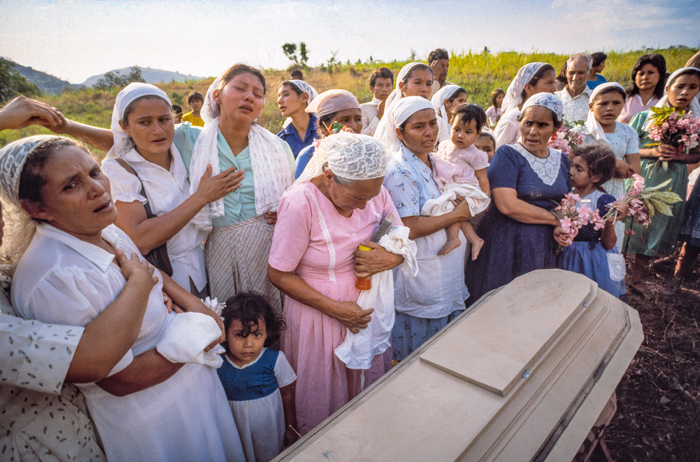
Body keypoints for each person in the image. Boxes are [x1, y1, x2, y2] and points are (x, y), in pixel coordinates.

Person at [6, 135, 246, 462]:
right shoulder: (53, 277)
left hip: (192, 387)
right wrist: (195, 337)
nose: (97, 188)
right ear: (36, 208)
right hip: (151, 417)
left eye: (94, 172)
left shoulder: (104, 227)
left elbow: (146, 270)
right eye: (70, 186)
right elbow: (119, 380)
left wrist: (196, 305)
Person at [50, 64, 295, 315]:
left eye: (257, 92)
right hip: (201, 259)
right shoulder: (195, 141)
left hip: (249, 250)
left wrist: (286, 212)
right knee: (226, 324)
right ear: (217, 95)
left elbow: (294, 195)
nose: (248, 96)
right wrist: (65, 127)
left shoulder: (273, 147)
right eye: (240, 88)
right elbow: (129, 139)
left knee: (269, 318)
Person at [268, 133, 405, 434]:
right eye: (356, 198)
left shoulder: (373, 191)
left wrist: (391, 259)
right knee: (323, 396)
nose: (363, 206)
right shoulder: (300, 203)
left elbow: (398, 233)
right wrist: (336, 309)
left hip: (366, 308)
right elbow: (279, 274)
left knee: (363, 388)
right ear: (328, 176)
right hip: (318, 313)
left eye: (371, 196)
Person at [98, 83, 240, 296]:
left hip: (206, 267)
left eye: (164, 120)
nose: (158, 130)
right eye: (144, 122)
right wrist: (201, 197)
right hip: (161, 283)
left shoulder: (185, 152)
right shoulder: (119, 170)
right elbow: (139, 240)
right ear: (125, 127)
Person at [382, 97, 472, 361]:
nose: (430, 132)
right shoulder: (400, 171)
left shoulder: (434, 161)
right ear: (400, 132)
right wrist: (457, 215)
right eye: (418, 127)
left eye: (433, 123)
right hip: (424, 273)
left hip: (445, 271)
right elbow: (408, 226)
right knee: (422, 357)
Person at [466, 93, 572, 304]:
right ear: (520, 122)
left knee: (534, 304)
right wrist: (554, 219)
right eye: (528, 123)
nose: (533, 132)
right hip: (507, 243)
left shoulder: (562, 160)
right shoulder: (508, 155)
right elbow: (508, 205)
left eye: (542, 125)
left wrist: (563, 228)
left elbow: (565, 204)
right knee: (502, 302)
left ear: (556, 127)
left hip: (543, 245)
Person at [623, 67, 700, 291]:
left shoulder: (694, 122)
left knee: (655, 224)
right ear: (667, 89)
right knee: (630, 218)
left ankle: (637, 278)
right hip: (644, 175)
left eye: (692, 87)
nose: (685, 92)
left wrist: (682, 156)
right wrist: (653, 152)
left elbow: (697, 152)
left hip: (673, 178)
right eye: (680, 86)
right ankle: (617, 269)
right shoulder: (645, 117)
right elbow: (628, 146)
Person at [217, 292, 298, 462]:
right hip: (234, 431)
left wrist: (291, 427)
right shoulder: (217, 363)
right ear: (224, 333)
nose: (249, 344)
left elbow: (288, 394)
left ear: (268, 333)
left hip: (268, 430)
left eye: (257, 335)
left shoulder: (275, 360)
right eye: (240, 335)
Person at [562, 146, 628, 299]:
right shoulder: (566, 195)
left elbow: (609, 244)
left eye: (579, 169)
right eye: (571, 166)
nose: (571, 171)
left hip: (593, 260)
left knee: (594, 298)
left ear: (596, 177)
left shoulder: (602, 201)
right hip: (567, 255)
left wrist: (610, 223)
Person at [584, 82, 640, 251]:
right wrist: (613, 163)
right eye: (603, 103)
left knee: (610, 236)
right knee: (585, 232)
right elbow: (579, 166)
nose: (609, 108)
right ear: (591, 106)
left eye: (616, 103)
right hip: (587, 190)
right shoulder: (582, 132)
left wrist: (619, 167)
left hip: (614, 191)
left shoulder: (628, 132)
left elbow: (634, 170)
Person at [432, 104, 490, 258]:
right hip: (448, 184)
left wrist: (485, 198)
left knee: (454, 211)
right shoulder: (444, 145)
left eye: (468, 132)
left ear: (477, 134)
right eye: (456, 129)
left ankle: (453, 238)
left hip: (464, 188)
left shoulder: (475, 155)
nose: (460, 135)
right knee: (456, 214)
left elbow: (482, 177)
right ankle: (475, 240)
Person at [374, 62, 450, 148]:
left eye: (428, 84)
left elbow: (447, 151)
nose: (424, 89)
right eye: (418, 83)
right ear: (402, 86)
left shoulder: (437, 121)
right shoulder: (390, 123)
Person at [294, 89, 364, 178]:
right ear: (324, 127)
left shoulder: (368, 153)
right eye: (345, 120)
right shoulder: (308, 156)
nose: (354, 126)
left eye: (358, 119)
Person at [493, 62, 557, 148]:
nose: (554, 88)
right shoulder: (511, 120)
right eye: (549, 83)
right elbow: (496, 154)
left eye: (554, 83)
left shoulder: (550, 117)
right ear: (528, 88)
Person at [618, 54, 667, 124]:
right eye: (641, 74)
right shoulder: (622, 98)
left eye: (650, 73)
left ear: (661, 75)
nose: (645, 77)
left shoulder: (665, 100)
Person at [277, 80, 319, 158]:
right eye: (279, 96)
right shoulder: (280, 140)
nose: (279, 101)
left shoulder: (325, 131)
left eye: (286, 95)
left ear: (304, 97)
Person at [555, 53, 594, 123]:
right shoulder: (554, 98)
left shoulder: (595, 99)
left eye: (580, 73)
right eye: (572, 72)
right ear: (566, 73)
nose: (575, 77)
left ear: (590, 73)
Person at [361, 67, 394, 136]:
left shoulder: (396, 107)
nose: (385, 89)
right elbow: (362, 137)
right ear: (371, 88)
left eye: (388, 85)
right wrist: (379, 116)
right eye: (380, 85)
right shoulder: (364, 109)